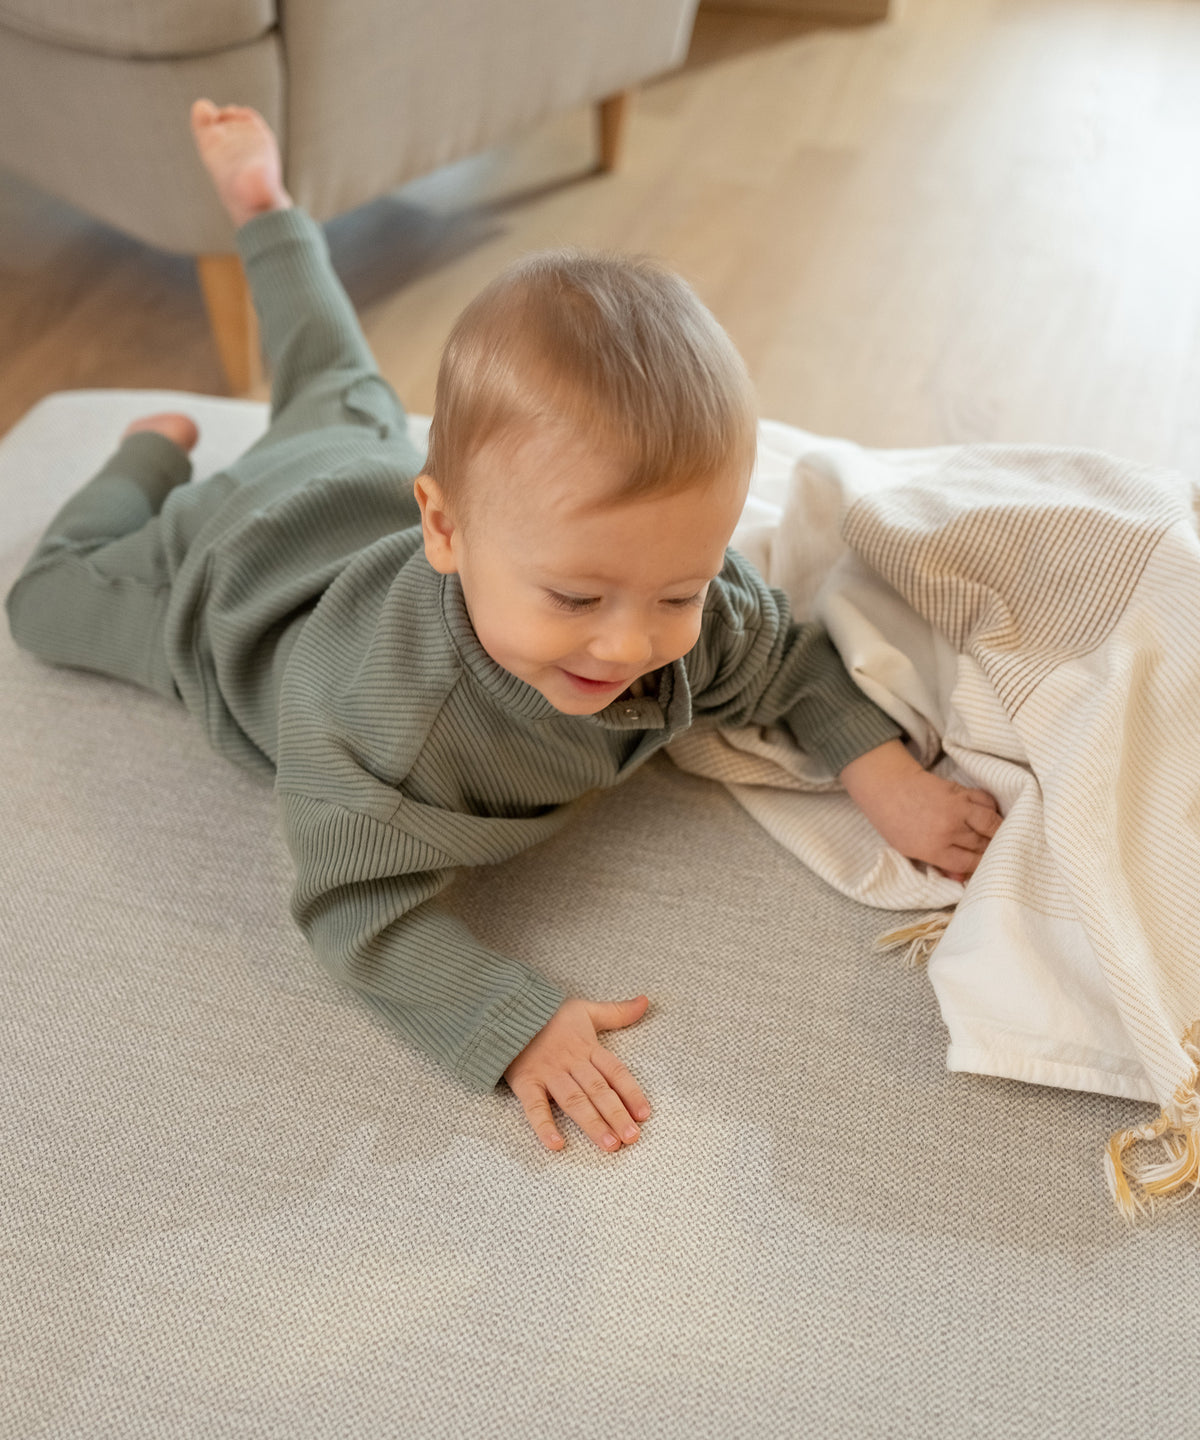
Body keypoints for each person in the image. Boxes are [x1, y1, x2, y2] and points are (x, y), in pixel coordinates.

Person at [6, 100, 1002, 1156]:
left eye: (678, 590)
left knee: (337, 391)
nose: (628, 646)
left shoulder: (679, 603)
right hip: (230, 573)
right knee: (44, 602)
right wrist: (513, 1021)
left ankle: (266, 206)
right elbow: (356, 912)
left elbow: (781, 661)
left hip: (363, 479)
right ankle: (143, 461)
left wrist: (883, 770)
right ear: (445, 528)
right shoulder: (387, 731)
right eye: (575, 600)